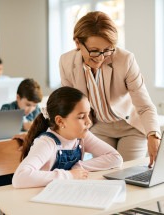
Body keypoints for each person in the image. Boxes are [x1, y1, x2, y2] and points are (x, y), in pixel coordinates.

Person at [59, 11, 160, 166]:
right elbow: (68, 106)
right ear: (78, 43)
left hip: (130, 127)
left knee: (129, 175)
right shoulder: (66, 62)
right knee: (106, 174)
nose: (100, 57)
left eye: (107, 50)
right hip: (99, 128)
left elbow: (144, 105)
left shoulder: (125, 60)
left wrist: (153, 135)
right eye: (94, 50)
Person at [12, 86, 123, 188]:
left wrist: (79, 166)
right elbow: (20, 178)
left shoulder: (82, 136)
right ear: (60, 121)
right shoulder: (46, 143)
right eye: (81, 117)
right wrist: (69, 175)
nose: (89, 122)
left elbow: (115, 158)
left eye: (88, 114)